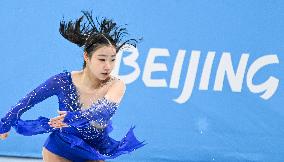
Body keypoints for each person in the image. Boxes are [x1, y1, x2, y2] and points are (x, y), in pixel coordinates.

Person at [0, 11, 145, 162]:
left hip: (93, 150)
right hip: (60, 149)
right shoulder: (62, 81)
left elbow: (103, 110)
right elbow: (28, 101)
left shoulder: (116, 85)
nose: (108, 66)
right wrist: (5, 124)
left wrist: (73, 118)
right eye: (102, 59)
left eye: (113, 60)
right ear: (87, 57)